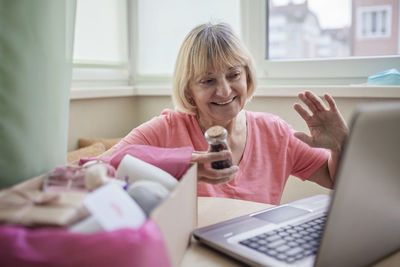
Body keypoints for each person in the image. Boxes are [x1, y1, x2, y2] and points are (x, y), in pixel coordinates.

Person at [106, 22, 349, 205]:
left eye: (233, 75)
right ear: (189, 90)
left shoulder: (275, 132)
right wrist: (179, 165)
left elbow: (334, 178)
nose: (224, 91)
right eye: (208, 80)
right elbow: (89, 169)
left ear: (248, 76)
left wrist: (339, 146)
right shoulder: (166, 129)